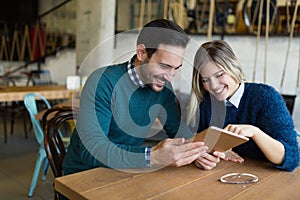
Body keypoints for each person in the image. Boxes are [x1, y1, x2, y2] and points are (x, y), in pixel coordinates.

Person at [63, 19, 212, 175]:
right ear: (141, 53)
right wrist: (151, 157)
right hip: (84, 175)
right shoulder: (102, 81)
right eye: (164, 66)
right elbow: (92, 150)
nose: (170, 77)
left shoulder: (163, 86)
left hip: (127, 172)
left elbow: (180, 131)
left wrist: (204, 151)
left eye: (176, 68)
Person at [187, 40, 299, 172]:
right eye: (205, 80)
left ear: (233, 67)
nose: (213, 86)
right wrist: (201, 156)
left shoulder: (265, 97)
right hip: (228, 173)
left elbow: (293, 158)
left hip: (269, 177)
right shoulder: (206, 103)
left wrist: (255, 132)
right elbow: (198, 144)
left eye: (219, 75)